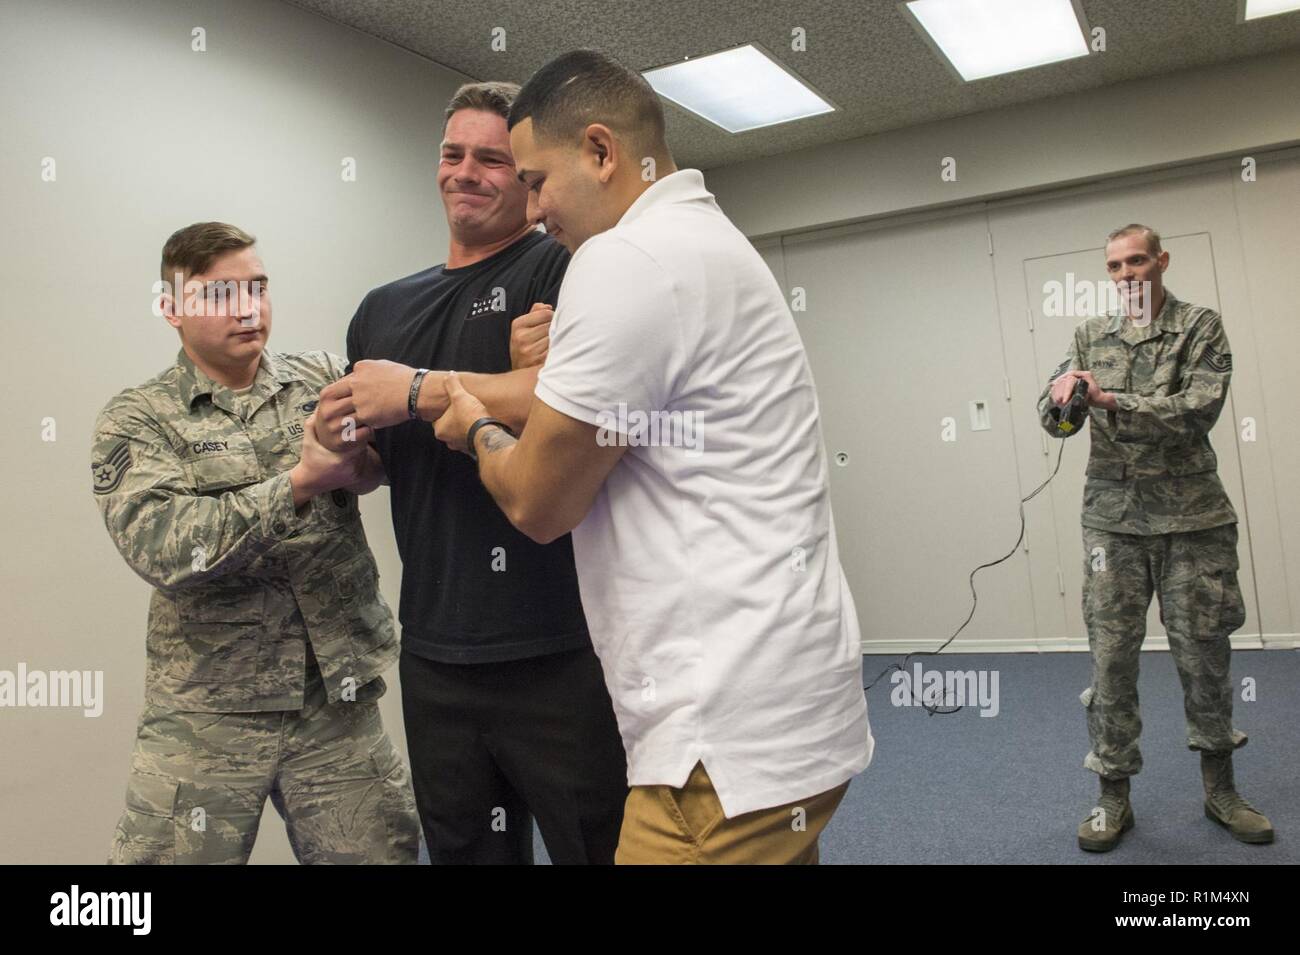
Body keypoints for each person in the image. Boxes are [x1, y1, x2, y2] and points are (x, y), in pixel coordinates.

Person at [434, 50, 873, 865]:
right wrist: (555, 368)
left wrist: (472, 427)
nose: (531, 211)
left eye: (536, 180)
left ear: (601, 152)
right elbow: (648, 425)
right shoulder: (699, 240)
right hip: (784, 702)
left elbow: (539, 503)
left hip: (722, 737)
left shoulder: (624, 260)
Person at [330, 82, 628, 864]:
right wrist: (346, 454)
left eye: (493, 159)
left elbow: (586, 410)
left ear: (528, 181)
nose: (467, 173)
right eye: (453, 154)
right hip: (435, 650)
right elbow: (383, 467)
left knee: (598, 847)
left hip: (561, 646)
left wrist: (419, 389)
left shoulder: (564, 269)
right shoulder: (381, 311)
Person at [93, 221, 418, 864]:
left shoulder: (320, 379)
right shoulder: (139, 418)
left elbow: (398, 463)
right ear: (173, 310)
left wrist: (368, 460)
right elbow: (162, 546)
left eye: (258, 287)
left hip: (335, 701)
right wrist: (300, 483)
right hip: (208, 714)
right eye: (220, 295)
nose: (248, 309)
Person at [1037, 223, 1273, 852]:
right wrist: (1066, 398)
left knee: (1205, 660)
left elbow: (1199, 407)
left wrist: (1112, 399)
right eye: (1115, 266)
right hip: (1113, 524)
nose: (1126, 275)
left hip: (1194, 521)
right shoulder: (1090, 335)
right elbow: (1056, 418)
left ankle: (1221, 792)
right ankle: (1113, 798)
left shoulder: (1199, 325)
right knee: (1111, 664)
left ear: (1160, 261)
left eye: (1137, 261)